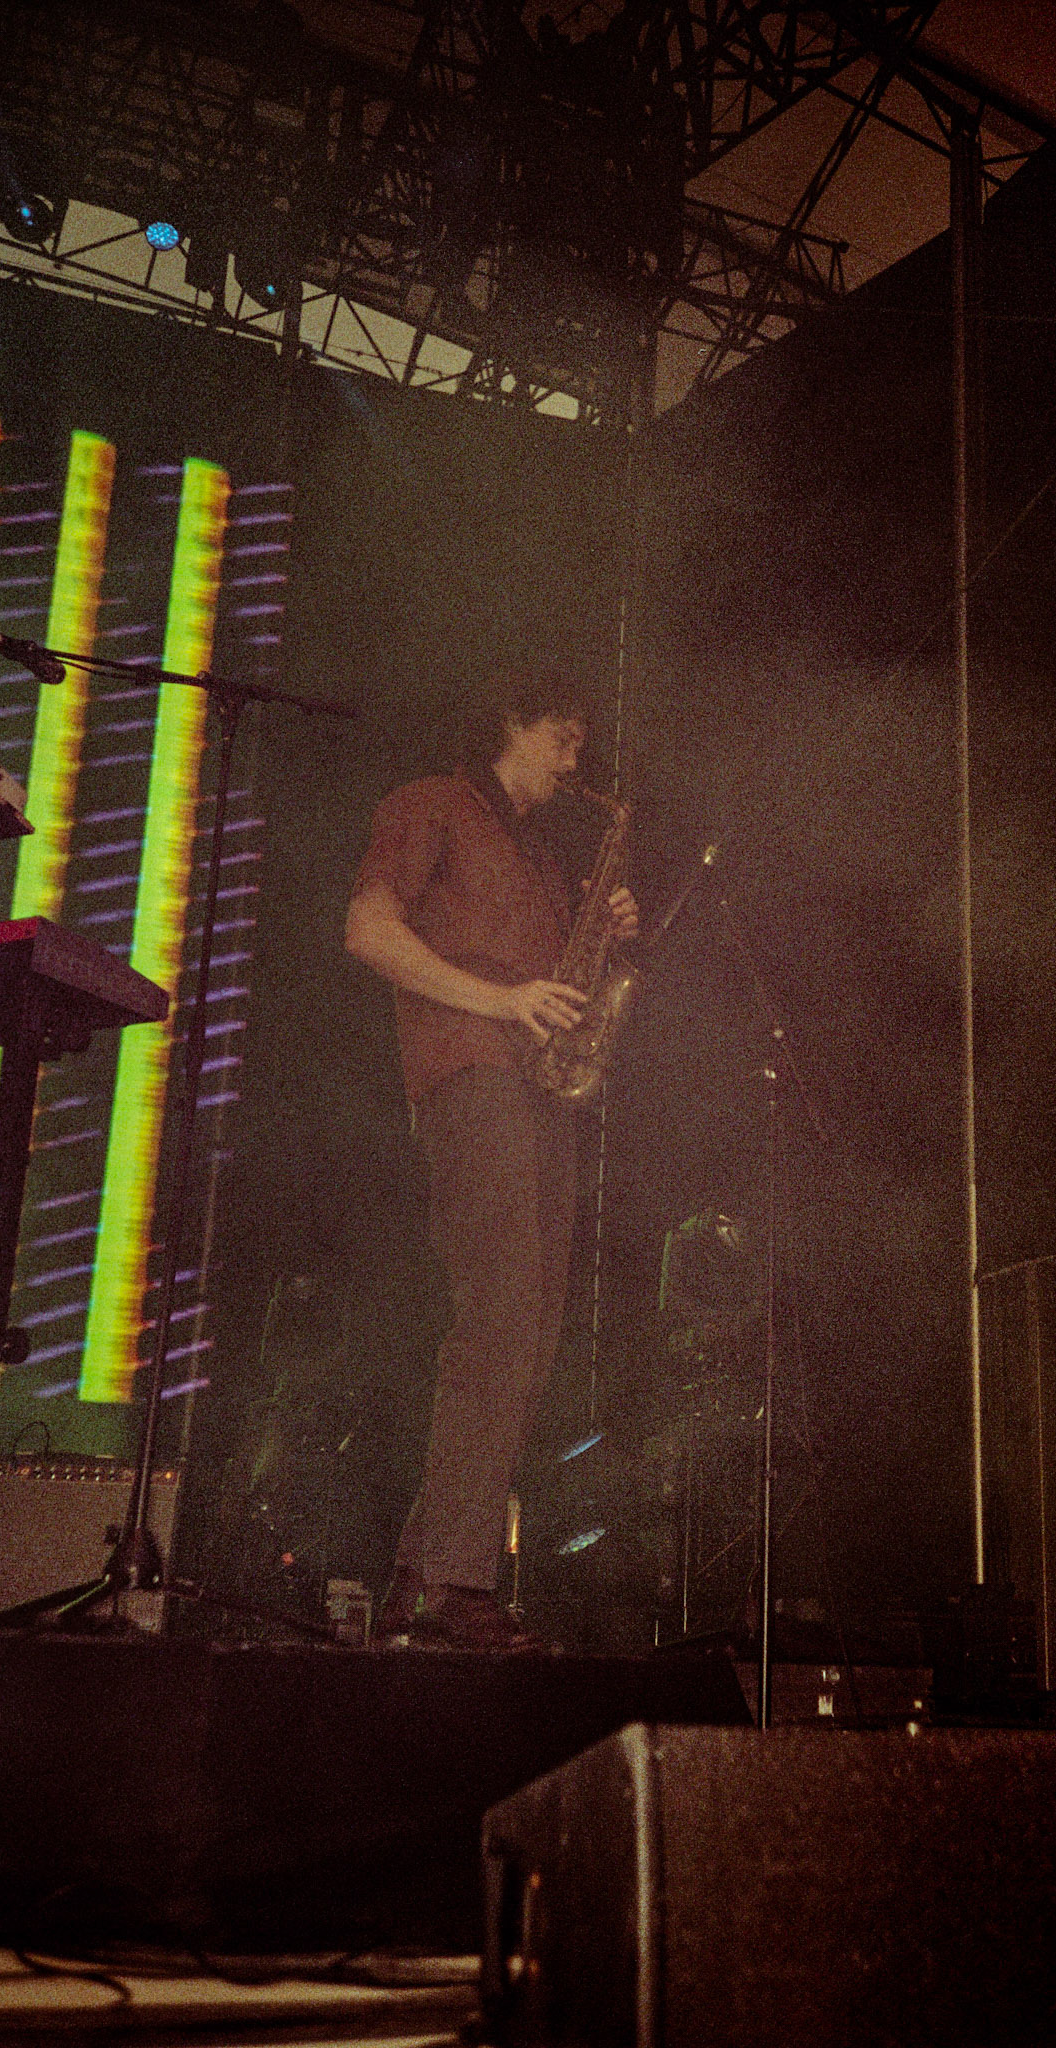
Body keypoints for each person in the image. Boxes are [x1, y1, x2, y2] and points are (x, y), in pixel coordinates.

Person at [345, 669, 638, 1650]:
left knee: (529, 1339)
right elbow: (367, 931)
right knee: (501, 1322)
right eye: (563, 736)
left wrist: (606, 938)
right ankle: (457, 1580)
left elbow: (564, 992)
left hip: (541, 1091)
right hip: (471, 1074)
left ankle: (418, 1572)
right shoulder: (430, 803)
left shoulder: (544, 860)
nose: (574, 759)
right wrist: (502, 999)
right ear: (511, 723)